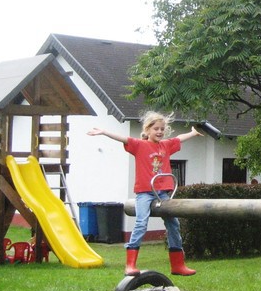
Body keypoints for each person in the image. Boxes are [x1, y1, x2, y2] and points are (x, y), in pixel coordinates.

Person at [87, 112, 203, 276]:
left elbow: (179, 139)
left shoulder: (166, 145)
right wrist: (104, 132)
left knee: (173, 224)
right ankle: (130, 265)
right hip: (145, 193)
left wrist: (192, 133)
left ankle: (177, 265)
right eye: (156, 129)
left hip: (163, 193)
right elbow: (124, 139)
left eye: (162, 129)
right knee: (141, 223)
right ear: (147, 130)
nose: (160, 132)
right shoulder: (140, 145)